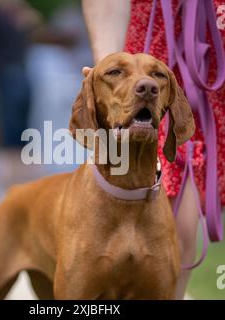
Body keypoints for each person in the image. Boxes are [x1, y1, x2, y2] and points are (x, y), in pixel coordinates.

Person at [82, 0, 225, 299]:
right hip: (149, 71)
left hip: (216, 82)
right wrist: (107, 68)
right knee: (174, 230)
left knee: (179, 240)